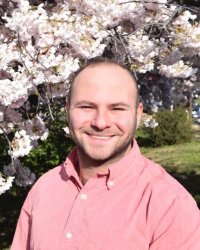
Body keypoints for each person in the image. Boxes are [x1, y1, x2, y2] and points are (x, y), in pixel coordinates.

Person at [11, 57, 200, 250]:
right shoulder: (44, 188)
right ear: (68, 110)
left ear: (137, 114)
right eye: (86, 107)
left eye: (117, 108)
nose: (100, 123)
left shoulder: (171, 207)